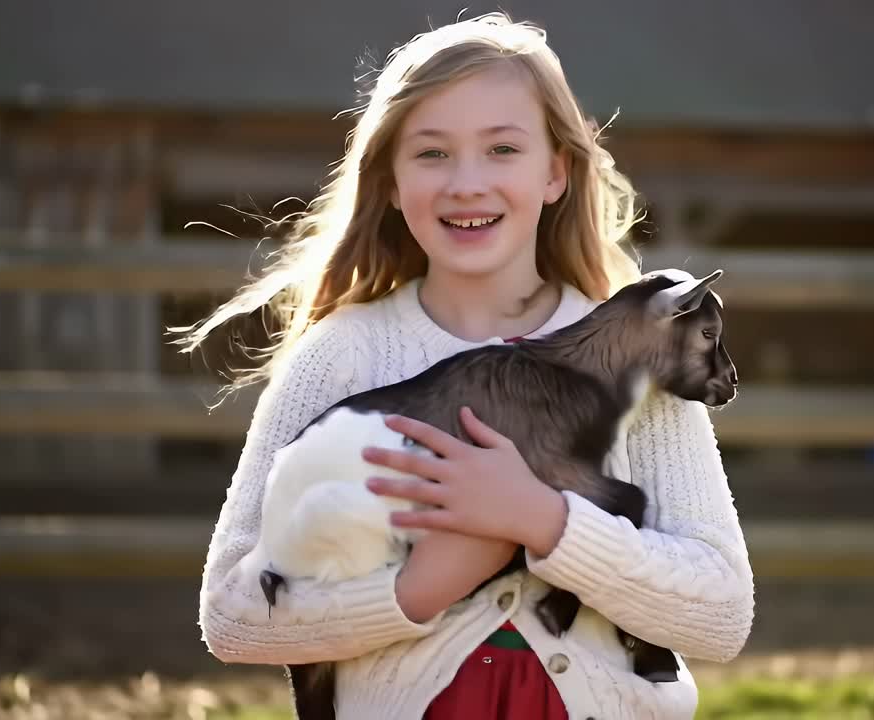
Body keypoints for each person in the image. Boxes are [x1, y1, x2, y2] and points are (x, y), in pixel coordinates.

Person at [182, 12, 754, 719]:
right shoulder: (343, 358)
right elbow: (233, 614)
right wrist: (417, 589)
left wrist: (544, 521)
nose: (467, 182)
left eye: (502, 149)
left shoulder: (643, 365)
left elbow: (722, 614)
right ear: (390, 181)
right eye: (432, 154)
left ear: (556, 173)